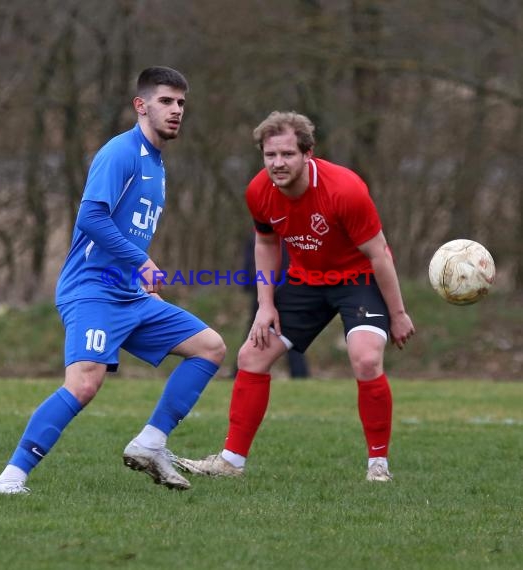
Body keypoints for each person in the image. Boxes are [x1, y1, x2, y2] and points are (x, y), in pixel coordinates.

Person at [0, 66, 226, 494]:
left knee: (209, 347)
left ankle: (151, 443)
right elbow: (90, 217)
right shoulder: (121, 153)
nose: (176, 111)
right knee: (84, 383)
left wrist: (137, 272)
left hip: (128, 294)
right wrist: (141, 261)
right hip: (92, 289)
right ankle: (10, 478)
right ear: (141, 106)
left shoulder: (157, 163)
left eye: (181, 103)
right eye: (166, 101)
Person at [174, 111, 414, 482]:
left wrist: (397, 314)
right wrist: (265, 305)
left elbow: (379, 253)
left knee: (366, 359)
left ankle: (378, 466)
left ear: (308, 154)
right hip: (306, 280)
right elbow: (266, 242)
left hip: (358, 279)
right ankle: (230, 463)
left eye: (287, 154)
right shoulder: (258, 191)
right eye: (270, 155)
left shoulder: (344, 189)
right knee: (251, 356)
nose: (278, 163)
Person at [241, 233, 310, 379]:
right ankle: (299, 373)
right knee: (257, 330)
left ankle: (299, 373)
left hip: (282, 289)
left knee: (287, 332)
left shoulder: (288, 237)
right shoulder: (259, 236)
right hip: (263, 291)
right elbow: (250, 262)